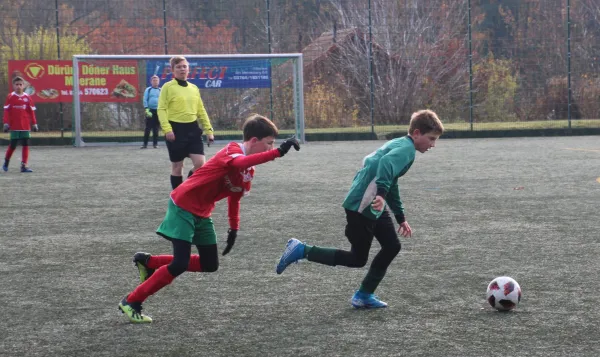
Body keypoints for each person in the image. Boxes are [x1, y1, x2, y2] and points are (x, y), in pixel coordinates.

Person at [118, 114, 300, 323]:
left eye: (274, 145)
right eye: (269, 143)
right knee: (179, 264)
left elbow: (234, 197)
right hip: (183, 204)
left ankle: (149, 262)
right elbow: (240, 162)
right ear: (253, 141)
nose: (271, 148)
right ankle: (132, 301)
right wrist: (278, 153)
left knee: (209, 263)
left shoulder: (249, 171)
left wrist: (234, 229)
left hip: (203, 212)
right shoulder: (232, 151)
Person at [275, 109, 444, 309]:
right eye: (431, 139)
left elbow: (389, 178)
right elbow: (386, 163)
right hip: (363, 205)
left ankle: (364, 295)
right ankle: (302, 250)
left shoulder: (400, 144)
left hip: (372, 204)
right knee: (357, 258)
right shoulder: (406, 150)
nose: (433, 145)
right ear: (416, 133)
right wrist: (380, 194)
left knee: (392, 246)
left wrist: (400, 216)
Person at [157, 56, 215, 190]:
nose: (182, 69)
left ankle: (187, 187)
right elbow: (161, 109)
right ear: (173, 70)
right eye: (178, 67)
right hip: (175, 130)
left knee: (201, 164)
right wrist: (167, 129)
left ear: (188, 69)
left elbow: (201, 110)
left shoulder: (194, 88)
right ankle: (177, 197)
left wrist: (209, 130)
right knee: (177, 166)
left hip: (193, 129)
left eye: (184, 66)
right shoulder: (167, 87)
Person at [3, 76, 39, 173]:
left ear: (23, 86)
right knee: (13, 145)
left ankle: (24, 166)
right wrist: (6, 123)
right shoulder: (10, 97)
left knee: (25, 144)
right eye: (16, 84)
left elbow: (31, 112)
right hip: (14, 126)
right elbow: (6, 111)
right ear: (13, 86)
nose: (18, 86)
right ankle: (6, 161)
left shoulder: (28, 98)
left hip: (25, 126)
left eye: (20, 84)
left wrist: (35, 123)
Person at [141, 75, 161, 149]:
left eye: (156, 80)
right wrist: (147, 109)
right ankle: (145, 144)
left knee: (156, 129)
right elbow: (145, 99)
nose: (155, 82)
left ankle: (155, 144)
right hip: (150, 111)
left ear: (159, 82)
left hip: (158, 111)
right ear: (151, 82)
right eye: (154, 80)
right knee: (148, 128)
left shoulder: (161, 90)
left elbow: (163, 101)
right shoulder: (148, 90)